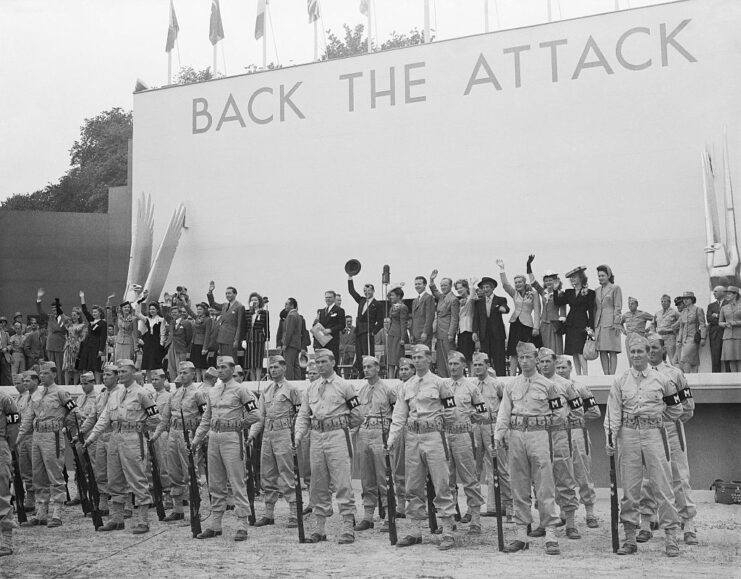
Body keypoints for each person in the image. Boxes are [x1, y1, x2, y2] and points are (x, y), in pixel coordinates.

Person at [605, 335, 684, 557]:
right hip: (628, 435)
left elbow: (676, 410)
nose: (637, 355)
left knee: (663, 486)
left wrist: (655, 417)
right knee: (630, 489)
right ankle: (630, 537)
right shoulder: (621, 381)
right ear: (629, 355)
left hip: (654, 434)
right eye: (633, 352)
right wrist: (610, 439)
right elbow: (613, 414)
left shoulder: (662, 380)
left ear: (648, 353)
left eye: (641, 351)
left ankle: (670, 537)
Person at [386, 345, 458, 551]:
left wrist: (442, 427)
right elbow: (399, 414)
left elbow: (452, 411)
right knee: (412, 485)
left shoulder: (440, 383)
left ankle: (447, 531)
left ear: (429, 359)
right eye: (414, 357)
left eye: (420, 357)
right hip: (412, 437)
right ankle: (415, 531)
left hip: (434, 435)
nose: (416, 361)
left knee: (442, 484)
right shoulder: (406, 386)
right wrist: (391, 439)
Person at [494, 342, 563, 555]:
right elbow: (504, 412)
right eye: (520, 357)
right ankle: (521, 535)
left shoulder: (548, 385)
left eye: (528, 357)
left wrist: (542, 425)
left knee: (544, 484)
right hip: (516, 436)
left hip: (538, 435)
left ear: (536, 359)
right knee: (518, 484)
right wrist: (498, 434)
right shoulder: (511, 385)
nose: (524, 361)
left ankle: (550, 533)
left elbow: (559, 414)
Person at [294, 349, 362, 544]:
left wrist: (344, 428)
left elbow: (358, 413)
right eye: (317, 362)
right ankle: (320, 528)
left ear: (333, 362)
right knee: (318, 483)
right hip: (316, 436)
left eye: (324, 361)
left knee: (342, 482)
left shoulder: (345, 386)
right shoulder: (311, 388)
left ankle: (348, 526)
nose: (320, 365)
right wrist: (298, 435)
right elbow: (303, 415)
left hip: (337, 436)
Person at [85, 359, 160, 534]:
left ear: (134, 372)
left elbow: (156, 419)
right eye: (119, 372)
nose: (121, 375)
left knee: (137, 477)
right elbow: (104, 418)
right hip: (115, 437)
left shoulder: (142, 393)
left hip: (134, 438)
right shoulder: (115, 394)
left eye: (124, 371)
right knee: (114, 478)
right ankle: (117, 518)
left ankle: (142, 520)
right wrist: (91, 437)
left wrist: (141, 427)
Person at [191, 356, 259, 541]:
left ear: (232, 369)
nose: (219, 371)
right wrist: (196, 439)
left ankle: (242, 525)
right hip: (214, 437)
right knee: (215, 483)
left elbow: (256, 414)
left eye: (223, 367)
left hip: (232, 437)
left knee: (237, 481)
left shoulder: (241, 390)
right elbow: (206, 417)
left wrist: (241, 423)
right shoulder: (213, 391)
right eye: (218, 368)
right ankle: (215, 525)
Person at [639, 335, 698, 545]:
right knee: (647, 478)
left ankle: (688, 524)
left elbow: (688, 407)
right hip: (647, 431)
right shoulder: (638, 375)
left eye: (655, 347)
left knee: (679, 476)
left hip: (671, 430)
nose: (651, 351)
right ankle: (646, 521)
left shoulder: (675, 374)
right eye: (648, 348)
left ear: (664, 350)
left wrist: (671, 422)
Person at [531, 347, 584, 540]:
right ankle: (544, 522)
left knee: (565, 477)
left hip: (560, 435)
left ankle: (570, 523)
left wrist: (568, 424)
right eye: (541, 362)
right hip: (539, 435)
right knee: (540, 480)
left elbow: (578, 410)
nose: (544, 365)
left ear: (555, 362)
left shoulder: (566, 385)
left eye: (548, 361)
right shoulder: (533, 383)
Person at [16, 361, 76, 527]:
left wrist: (63, 427)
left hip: (53, 435)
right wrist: (19, 438)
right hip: (37, 435)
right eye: (41, 373)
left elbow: (74, 413)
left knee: (55, 473)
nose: (42, 376)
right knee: (38, 474)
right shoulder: (37, 394)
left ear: (54, 374)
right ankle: (41, 513)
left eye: (46, 373)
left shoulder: (61, 393)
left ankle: (57, 512)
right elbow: (28, 417)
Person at [247, 356, 302, 528]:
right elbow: (259, 416)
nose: (273, 370)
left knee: (286, 473)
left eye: (276, 367)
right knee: (267, 474)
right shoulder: (267, 390)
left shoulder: (292, 389)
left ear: (284, 368)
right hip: (268, 436)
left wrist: (296, 435)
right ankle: (269, 514)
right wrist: (252, 434)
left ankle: (294, 513)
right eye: (270, 368)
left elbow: (300, 414)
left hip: (284, 433)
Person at [151, 361, 208, 522]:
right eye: (180, 373)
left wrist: (199, 437)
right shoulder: (174, 394)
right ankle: (177, 509)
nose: (182, 375)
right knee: (173, 471)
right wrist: (156, 435)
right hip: (173, 434)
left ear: (192, 374)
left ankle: (196, 509)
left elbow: (205, 416)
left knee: (190, 471)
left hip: (188, 434)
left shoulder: (198, 394)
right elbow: (165, 419)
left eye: (185, 373)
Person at [444, 351, 486, 534]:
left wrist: (470, 417)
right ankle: (450, 518)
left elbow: (484, 412)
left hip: (464, 435)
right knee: (447, 479)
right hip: (445, 436)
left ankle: (475, 518)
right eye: (450, 364)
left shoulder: (471, 388)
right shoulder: (442, 386)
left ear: (463, 366)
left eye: (456, 364)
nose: (452, 367)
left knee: (469, 478)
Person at [556, 356, 601, 528]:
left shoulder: (580, 387)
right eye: (558, 367)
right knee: (561, 473)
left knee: (583, 472)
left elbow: (595, 411)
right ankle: (563, 511)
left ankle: (590, 512)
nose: (560, 371)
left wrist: (578, 419)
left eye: (563, 368)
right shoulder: (551, 387)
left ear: (570, 369)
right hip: (558, 434)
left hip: (577, 432)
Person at [353, 356, 396, 533]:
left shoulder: (388, 390)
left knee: (383, 476)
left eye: (370, 366)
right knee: (366, 477)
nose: (366, 370)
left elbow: (397, 413)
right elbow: (356, 413)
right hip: (364, 434)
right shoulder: (361, 390)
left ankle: (389, 515)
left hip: (381, 434)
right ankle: (368, 516)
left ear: (378, 368)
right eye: (364, 367)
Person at [471, 353, 512, 520]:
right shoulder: (472, 386)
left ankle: (509, 507)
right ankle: (486, 507)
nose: (477, 367)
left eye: (480, 364)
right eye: (475, 364)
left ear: (487, 365)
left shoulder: (497, 385)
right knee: (477, 469)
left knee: (501, 467)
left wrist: (503, 430)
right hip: (477, 428)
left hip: (493, 427)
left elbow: (508, 406)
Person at [79, 363, 121, 517]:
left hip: (116, 435)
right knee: (100, 471)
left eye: (109, 375)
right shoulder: (101, 396)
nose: (105, 377)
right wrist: (81, 432)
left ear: (117, 377)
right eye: (103, 375)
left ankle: (127, 503)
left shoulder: (122, 393)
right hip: (101, 437)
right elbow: (92, 418)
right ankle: (103, 503)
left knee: (119, 470)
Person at [497, 260, 541, 376]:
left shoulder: (533, 293)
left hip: (527, 325)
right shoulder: (514, 293)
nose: (517, 284)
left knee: (527, 351)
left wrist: (536, 327)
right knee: (513, 351)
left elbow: (537, 311)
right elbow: (506, 285)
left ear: (524, 282)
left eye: (519, 282)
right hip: (515, 323)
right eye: (516, 282)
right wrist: (502, 269)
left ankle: (527, 373)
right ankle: (512, 376)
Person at [554, 266, 595, 376]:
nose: (572, 279)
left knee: (581, 350)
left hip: (582, 324)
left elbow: (591, 312)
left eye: (574, 277)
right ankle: (578, 374)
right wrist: (555, 289)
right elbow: (558, 302)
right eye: (571, 278)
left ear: (581, 278)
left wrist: (591, 328)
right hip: (571, 324)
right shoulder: (569, 292)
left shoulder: (590, 293)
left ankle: (585, 375)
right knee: (574, 352)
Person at [527, 257, 566, 354]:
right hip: (544, 323)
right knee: (544, 348)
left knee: (555, 348)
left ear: (556, 281)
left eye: (551, 280)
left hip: (554, 324)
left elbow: (563, 311)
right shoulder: (543, 292)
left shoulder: (561, 293)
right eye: (547, 280)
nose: (548, 282)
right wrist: (528, 265)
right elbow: (533, 282)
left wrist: (561, 323)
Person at [472, 276, 509, 378]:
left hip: (497, 334)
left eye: (487, 287)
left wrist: (503, 309)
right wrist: (475, 331)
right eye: (483, 287)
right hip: (484, 334)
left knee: (499, 359)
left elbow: (506, 307)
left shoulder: (500, 299)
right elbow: (476, 318)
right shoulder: (479, 302)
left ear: (492, 288)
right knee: (485, 358)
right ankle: (485, 379)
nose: (485, 289)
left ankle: (502, 379)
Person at [347, 274, 384, 376]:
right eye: (364, 291)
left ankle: (369, 373)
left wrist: (373, 332)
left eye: (368, 290)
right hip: (359, 330)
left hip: (368, 331)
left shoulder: (377, 304)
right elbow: (352, 292)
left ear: (373, 291)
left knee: (367, 353)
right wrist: (350, 278)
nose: (366, 292)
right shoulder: (361, 300)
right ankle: (361, 373)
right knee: (359, 354)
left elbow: (380, 321)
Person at [393, 357, 415, 518]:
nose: (403, 372)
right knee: (399, 467)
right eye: (401, 369)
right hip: (402, 430)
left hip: (416, 430)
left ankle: (418, 504)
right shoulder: (396, 390)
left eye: (406, 369)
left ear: (413, 370)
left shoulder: (418, 386)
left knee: (418, 468)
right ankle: (401, 503)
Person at [0, 388, 20, 557]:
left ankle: (6, 541)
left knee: (2, 495)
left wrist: (7, 447)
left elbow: (13, 429)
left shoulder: (5, 400)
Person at [429, 270, 460, 378]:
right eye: (441, 285)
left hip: (447, 332)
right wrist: (432, 280)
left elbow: (455, 318)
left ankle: (452, 378)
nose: (442, 287)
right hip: (439, 332)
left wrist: (451, 333)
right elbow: (434, 291)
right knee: (440, 358)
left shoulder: (454, 299)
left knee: (449, 357)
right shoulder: (442, 297)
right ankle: (442, 378)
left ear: (450, 286)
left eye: (445, 285)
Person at [594, 265, 623, 375]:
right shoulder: (597, 290)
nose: (600, 278)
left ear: (608, 275)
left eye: (603, 275)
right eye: (599, 276)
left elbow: (618, 306)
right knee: (602, 349)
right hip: (599, 323)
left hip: (611, 322)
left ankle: (612, 375)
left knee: (612, 349)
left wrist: (616, 322)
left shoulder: (615, 288)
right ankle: (605, 374)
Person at [15, 371, 37, 513]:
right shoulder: (19, 399)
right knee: (25, 470)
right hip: (22, 437)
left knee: (38, 469)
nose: (21, 384)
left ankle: (42, 501)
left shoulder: (37, 396)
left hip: (35, 436)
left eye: (23, 381)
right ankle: (29, 498)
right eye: (17, 382)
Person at [35, 289, 67, 383]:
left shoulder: (64, 318)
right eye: (52, 309)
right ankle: (51, 383)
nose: (53, 311)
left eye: (55, 309)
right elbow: (40, 311)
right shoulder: (50, 317)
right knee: (50, 367)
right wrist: (39, 298)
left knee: (59, 367)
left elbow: (65, 330)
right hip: (50, 345)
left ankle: (60, 384)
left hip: (60, 345)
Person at [206, 282, 245, 359]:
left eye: (229, 293)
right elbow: (213, 304)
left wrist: (237, 340)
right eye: (226, 293)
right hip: (222, 336)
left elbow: (239, 325)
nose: (227, 295)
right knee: (223, 359)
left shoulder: (239, 306)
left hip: (231, 337)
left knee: (231, 359)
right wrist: (210, 292)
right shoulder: (225, 305)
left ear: (235, 294)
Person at [676, 291, 707, 374]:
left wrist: (703, 338)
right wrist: (679, 340)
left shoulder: (698, 310)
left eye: (687, 298)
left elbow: (702, 325)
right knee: (693, 360)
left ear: (692, 299)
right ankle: (694, 377)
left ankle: (687, 377)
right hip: (684, 339)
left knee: (685, 358)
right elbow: (681, 327)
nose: (685, 300)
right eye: (684, 299)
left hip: (693, 338)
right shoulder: (683, 311)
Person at [313, 290, 345, 366]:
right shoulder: (321, 311)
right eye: (326, 297)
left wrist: (331, 330)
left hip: (333, 340)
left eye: (330, 297)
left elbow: (342, 325)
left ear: (334, 298)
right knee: (324, 361)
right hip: (322, 341)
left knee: (332, 361)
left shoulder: (339, 310)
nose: (327, 299)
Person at [79, 293, 107, 382]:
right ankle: (85, 382)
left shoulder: (103, 323)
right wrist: (82, 297)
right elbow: (85, 311)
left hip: (96, 346)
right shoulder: (91, 320)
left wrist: (101, 350)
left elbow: (103, 337)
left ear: (100, 313)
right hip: (87, 345)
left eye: (96, 312)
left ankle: (98, 384)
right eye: (93, 312)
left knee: (96, 367)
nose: (94, 313)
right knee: (85, 365)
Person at [243, 292, 269, 381]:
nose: (254, 301)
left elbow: (266, 326)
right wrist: (243, 339)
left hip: (259, 337)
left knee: (258, 360)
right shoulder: (247, 313)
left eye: (256, 300)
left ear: (259, 301)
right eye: (252, 300)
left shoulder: (264, 312)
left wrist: (267, 338)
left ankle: (258, 379)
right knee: (250, 361)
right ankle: (252, 379)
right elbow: (244, 326)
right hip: (249, 337)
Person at [136, 297, 166, 373]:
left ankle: (156, 381)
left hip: (156, 342)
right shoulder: (147, 319)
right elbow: (137, 314)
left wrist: (161, 345)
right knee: (147, 363)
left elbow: (162, 333)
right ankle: (149, 382)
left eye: (153, 309)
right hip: (148, 342)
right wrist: (139, 302)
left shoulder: (161, 319)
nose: (152, 311)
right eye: (150, 309)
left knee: (155, 364)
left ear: (157, 310)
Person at [164, 305, 193, 381]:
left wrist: (184, 345)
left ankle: (181, 383)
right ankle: (173, 383)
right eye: (172, 312)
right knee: (171, 367)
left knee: (180, 367)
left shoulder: (186, 323)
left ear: (180, 313)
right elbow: (164, 313)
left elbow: (189, 337)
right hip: (171, 346)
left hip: (180, 346)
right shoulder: (172, 322)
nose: (173, 314)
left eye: (175, 312)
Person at [454, 279, 478, 370]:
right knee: (463, 357)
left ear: (466, 287)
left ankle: (472, 377)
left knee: (470, 357)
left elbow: (471, 296)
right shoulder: (461, 301)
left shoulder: (471, 299)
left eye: (461, 288)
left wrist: (472, 285)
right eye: (457, 289)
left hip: (468, 330)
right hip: (461, 332)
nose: (459, 290)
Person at [187, 301, 213, 382]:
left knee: (202, 365)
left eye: (200, 309)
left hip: (201, 344)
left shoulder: (208, 320)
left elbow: (207, 334)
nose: (198, 311)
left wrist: (205, 348)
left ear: (205, 310)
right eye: (197, 309)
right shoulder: (197, 318)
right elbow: (190, 312)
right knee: (196, 366)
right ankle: (198, 382)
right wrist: (184, 303)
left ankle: (206, 382)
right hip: (195, 343)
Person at [385, 287, 409, 378]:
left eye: (393, 295)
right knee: (390, 359)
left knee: (398, 358)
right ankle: (390, 378)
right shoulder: (393, 306)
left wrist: (403, 338)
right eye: (390, 295)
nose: (391, 297)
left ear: (398, 296)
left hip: (398, 335)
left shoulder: (403, 307)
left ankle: (400, 377)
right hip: (391, 334)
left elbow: (404, 323)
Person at [650, 294, 680, 366]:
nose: (663, 303)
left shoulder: (674, 312)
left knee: (672, 359)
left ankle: (675, 375)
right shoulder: (658, 313)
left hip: (670, 337)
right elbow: (652, 324)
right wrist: (654, 334)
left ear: (669, 302)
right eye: (662, 301)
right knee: (660, 359)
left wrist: (676, 331)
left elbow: (681, 322)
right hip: (659, 338)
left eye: (665, 301)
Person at [279, 298, 304, 380]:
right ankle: (298, 382)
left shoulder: (291, 315)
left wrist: (285, 344)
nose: (285, 306)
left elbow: (289, 332)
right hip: (296, 344)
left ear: (292, 305)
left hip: (290, 345)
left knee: (288, 366)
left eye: (286, 304)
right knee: (296, 366)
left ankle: (289, 382)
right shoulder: (297, 315)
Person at [62, 307, 87, 386]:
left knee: (76, 367)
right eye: (72, 315)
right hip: (68, 346)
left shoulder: (82, 325)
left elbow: (83, 337)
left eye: (75, 315)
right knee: (67, 366)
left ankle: (75, 385)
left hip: (76, 347)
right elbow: (63, 318)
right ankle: (66, 385)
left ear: (79, 316)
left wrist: (77, 342)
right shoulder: (69, 325)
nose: (73, 316)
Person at [719, 285, 741, 372]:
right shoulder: (724, 308)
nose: (727, 295)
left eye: (729, 294)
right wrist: (724, 324)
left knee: (739, 358)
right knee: (730, 358)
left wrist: (735, 323)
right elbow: (720, 322)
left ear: (735, 295)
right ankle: (734, 377)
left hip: (739, 335)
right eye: (726, 294)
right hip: (727, 336)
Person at [706, 286, 728, 372]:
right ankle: (715, 378)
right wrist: (721, 318)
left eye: (716, 291)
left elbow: (728, 318)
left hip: (726, 334)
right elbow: (709, 318)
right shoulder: (711, 306)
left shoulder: (728, 304)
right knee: (715, 359)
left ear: (722, 292)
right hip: (714, 335)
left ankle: (729, 379)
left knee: (727, 359)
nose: (714, 293)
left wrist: (717, 315)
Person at [410, 276, 435, 348]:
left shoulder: (428, 297)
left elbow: (429, 317)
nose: (417, 286)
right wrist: (412, 334)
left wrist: (425, 332)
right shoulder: (415, 301)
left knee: (424, 356)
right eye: (416, 284)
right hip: (415, 335)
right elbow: (413, 319)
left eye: (419, 284)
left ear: (424, 285)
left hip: (423, 334)